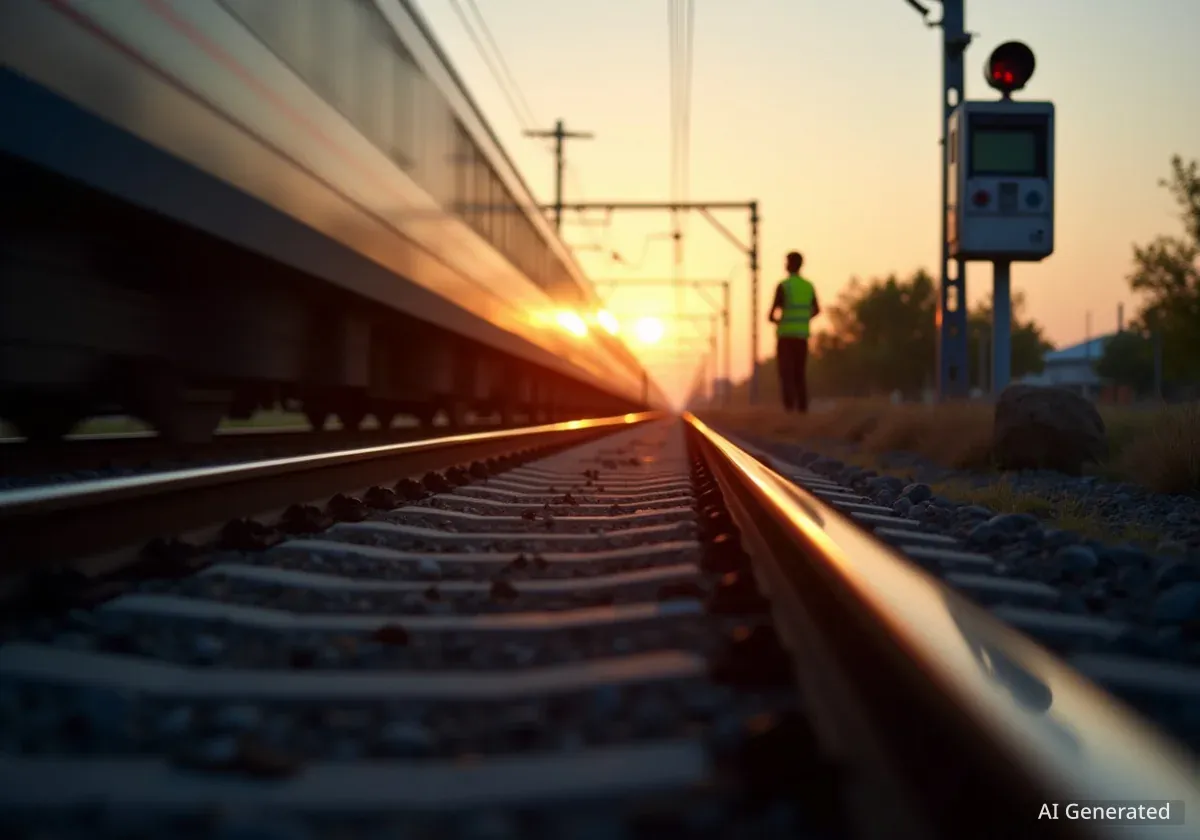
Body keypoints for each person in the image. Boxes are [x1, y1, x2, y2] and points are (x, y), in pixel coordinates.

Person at [768, 251, 820, 413]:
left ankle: (789, 407)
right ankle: (803, 408)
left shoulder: (784, 286)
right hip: (802, 336)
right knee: (799, 372)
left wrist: (779, 321)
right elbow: (816, 310)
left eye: (786, 262)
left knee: (786, 373)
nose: (785, 265)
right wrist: (804, 320)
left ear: (790, 265)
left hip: (785, 337)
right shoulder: (808, 286)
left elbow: (771, 315)